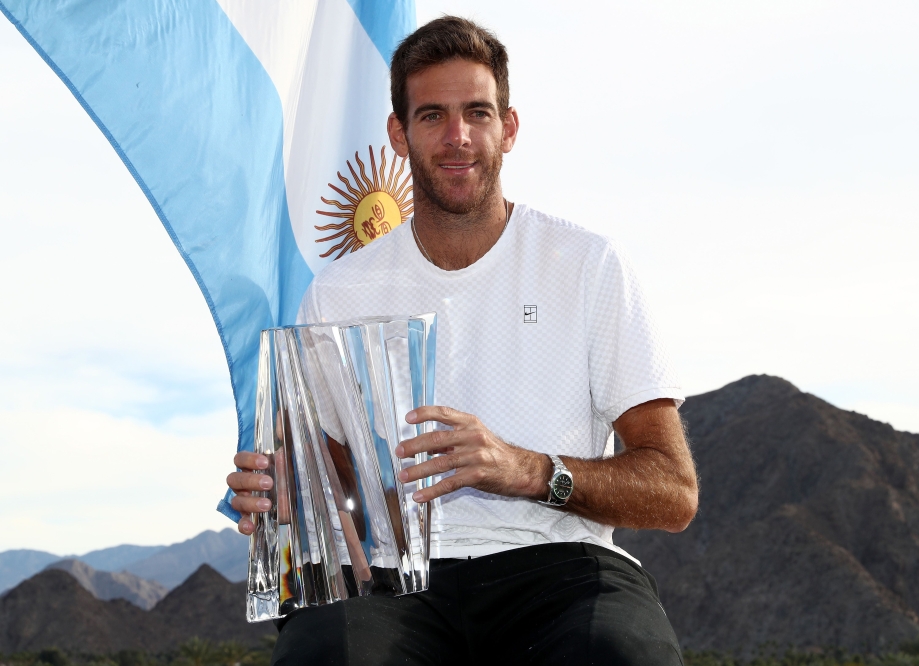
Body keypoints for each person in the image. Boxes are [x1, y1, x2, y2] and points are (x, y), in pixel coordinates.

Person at [227, 16, 698, 665]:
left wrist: (529, 471)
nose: (458, 137)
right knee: (320, 654)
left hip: (563, 565)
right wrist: (283, 494)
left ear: (508, 126)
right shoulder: (339, 294)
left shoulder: (587, 265)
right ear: (399, 134)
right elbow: (325, 484)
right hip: (399, 582)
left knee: (621, 656)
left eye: (477, 112)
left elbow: (674, 491)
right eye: (432, 116)